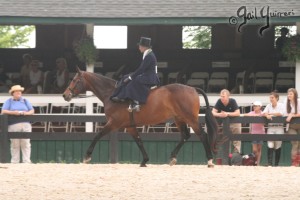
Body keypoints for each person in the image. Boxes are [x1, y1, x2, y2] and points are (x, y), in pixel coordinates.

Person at [110, 37, 160, 112]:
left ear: (144, 47)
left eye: (140, 46)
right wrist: (129, 76)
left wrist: (131, 77)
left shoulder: (149, 56)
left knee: (133, 81)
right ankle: (118, 94)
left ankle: (136, 104)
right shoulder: (147, 54)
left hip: (150, 78)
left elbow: (141, 69)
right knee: (125, 77)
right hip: (147, 75)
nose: (139, 48)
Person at [1, 85, 34, 163]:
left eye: (20, 91)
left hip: (26, 124)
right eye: (17, 91)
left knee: (26, 143)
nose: (19, 92)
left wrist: (26, 113)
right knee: (15, 143)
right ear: (13, 93)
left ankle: (26, 161)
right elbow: (3, 111)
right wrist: (14, 113)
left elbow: (32, 110)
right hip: (13, 124)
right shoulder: (9, 101)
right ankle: (15, 161)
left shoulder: (25, 100)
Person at [212, 89, 242, 154]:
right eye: (221, 96)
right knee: (222, 135)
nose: (222, 98)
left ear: (228, 96)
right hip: (223, 123)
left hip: (234, 122)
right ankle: (220, 150)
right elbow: (213, 112)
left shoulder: (233, 101)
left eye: (223, 96)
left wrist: (227, 114)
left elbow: (238, 113)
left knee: (237, 135)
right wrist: (219, 114)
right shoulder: (219, 101)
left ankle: (237, 152)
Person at [262, 91, 285, 167]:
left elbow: (281, 113)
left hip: (279, 127)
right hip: (271, 127)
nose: (271, 99)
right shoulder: (268, 106)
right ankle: (270, 164)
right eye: (270, 98)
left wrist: (270, 114)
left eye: (272, 97)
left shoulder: (281, 105)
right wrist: (266, 114)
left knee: (278, 145)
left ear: (277, 98)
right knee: (270, 144)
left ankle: (276, 164)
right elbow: (263, 113)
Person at [244, 101, 265, 166]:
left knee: (259, 149)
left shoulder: (262, 113)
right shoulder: (252, 112)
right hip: (253, 132)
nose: (254, 107)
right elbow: (245, 115)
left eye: (256, 106)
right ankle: (255, 161)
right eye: (254, 106)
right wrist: (254, 115)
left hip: (261, 132)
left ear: (260, 107)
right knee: (255, 150)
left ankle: (257, 163)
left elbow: (264, 122)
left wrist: (259, 116)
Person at [284, 88, 300, 167]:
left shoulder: (299, 101)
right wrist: (290, 115)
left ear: (295, 95)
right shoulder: (286, 102)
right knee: (295, 143)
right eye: (288, 94)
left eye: (291, 94)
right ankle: (294, 163)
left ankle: (298, 162)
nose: (289, 95)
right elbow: (284, 113)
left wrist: (292, 115)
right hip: (291, 126)